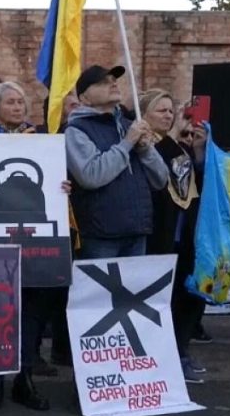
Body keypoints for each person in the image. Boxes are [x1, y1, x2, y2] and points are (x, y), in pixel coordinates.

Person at [0, 81, 67, 411]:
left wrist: (61, 185)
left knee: (32, 311)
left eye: (20, 102)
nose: (17, 107)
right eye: (10, 102)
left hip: (37, 244)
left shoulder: (40, 142)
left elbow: (54, 178)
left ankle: (24, 376)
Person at [65, 65, 168, 259]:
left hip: (136, 230)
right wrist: (127, 143)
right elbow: (91, 175)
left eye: (114, 80)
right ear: (84, 98)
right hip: (100, 234)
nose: (113, 84)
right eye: (103, 82)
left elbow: (161, 179)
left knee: (134, 290)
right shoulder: (77, 130)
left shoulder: (129, 126)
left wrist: (145, 149)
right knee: (100, 290)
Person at [144, 90, 206, 384]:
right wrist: (175, 134)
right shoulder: (145, 144)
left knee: (188, 295)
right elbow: (159, 167)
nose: (169, 116)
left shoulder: (178, 147)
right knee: (160, 299)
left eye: (172, 111)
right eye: (162, 111)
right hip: (158, 234)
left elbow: (194, 184)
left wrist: (199, 153)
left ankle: (181, 351)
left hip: (186, 233)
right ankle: (159, 356)